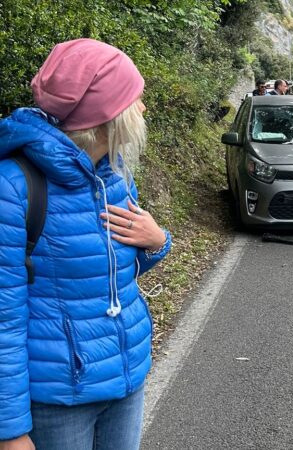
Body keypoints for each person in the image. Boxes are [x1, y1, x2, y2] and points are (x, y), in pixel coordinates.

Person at [0, 39, 171, 450]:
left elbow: (102, 270)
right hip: (58, 399)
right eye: (134, 99)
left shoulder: (112, 173)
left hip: (124, 378)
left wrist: (157, 242)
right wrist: (10, 432)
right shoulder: (13, 186)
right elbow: (3, 318)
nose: (143, 109)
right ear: (106, 116)